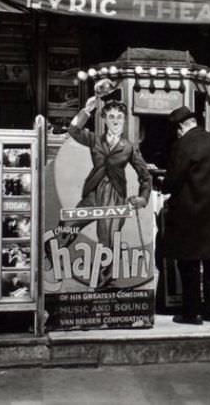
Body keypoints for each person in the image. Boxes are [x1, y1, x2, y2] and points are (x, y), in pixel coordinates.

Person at [62, 97, 152, 286]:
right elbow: (73, 130)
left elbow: (145, 176)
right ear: (104, 119)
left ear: (124, 120)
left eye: (119, 117)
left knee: (108, 242)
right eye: (111, 117)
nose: (116, 121)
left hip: (114, 196)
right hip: (93, 193)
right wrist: (86, 110)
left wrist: (143, 199)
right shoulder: (94, 140)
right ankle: (54, 258)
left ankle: (104, 283)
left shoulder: (129, 147)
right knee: (68, 224)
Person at [163, 106, 210, 325]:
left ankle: (191, 313)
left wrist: (165, 186)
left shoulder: (183, 144)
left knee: (189, 264)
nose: (177, 134)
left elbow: (173, 180)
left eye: (177, 130)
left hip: (191, 214)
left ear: (181, 126)